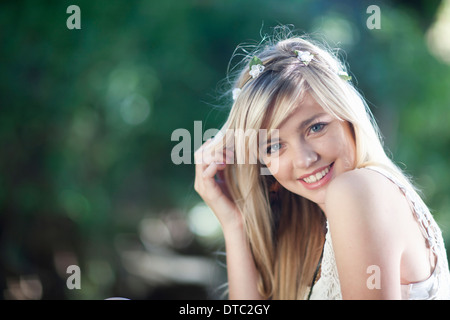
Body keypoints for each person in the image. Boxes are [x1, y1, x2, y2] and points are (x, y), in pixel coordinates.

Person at [194, 31, 450, 300]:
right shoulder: (315, 230)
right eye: (273, 146)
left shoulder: (356, 190)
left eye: (316, 127)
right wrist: (235, 225)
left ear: (347, 116)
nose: (304, 159)